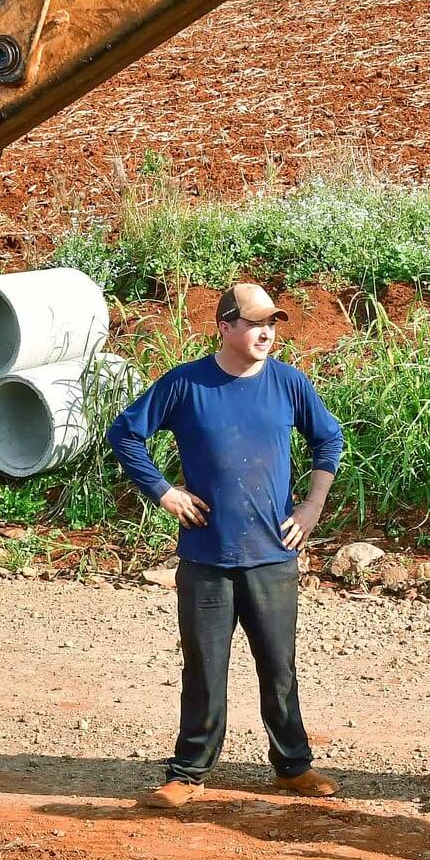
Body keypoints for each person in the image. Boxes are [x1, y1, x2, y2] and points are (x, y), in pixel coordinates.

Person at [106, 282, 346, 810]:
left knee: (278, 666)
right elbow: (124, 434)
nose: (267, 333)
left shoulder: (289, 383)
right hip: (206, 557)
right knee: (205, 666)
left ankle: (292, 767)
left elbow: (328, 439)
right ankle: (188, 774)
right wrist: (164, 491)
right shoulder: (185, 384)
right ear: (226, 327)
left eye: (273, 324)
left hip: (272, 554)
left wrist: (311, 507)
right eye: (256, 323)